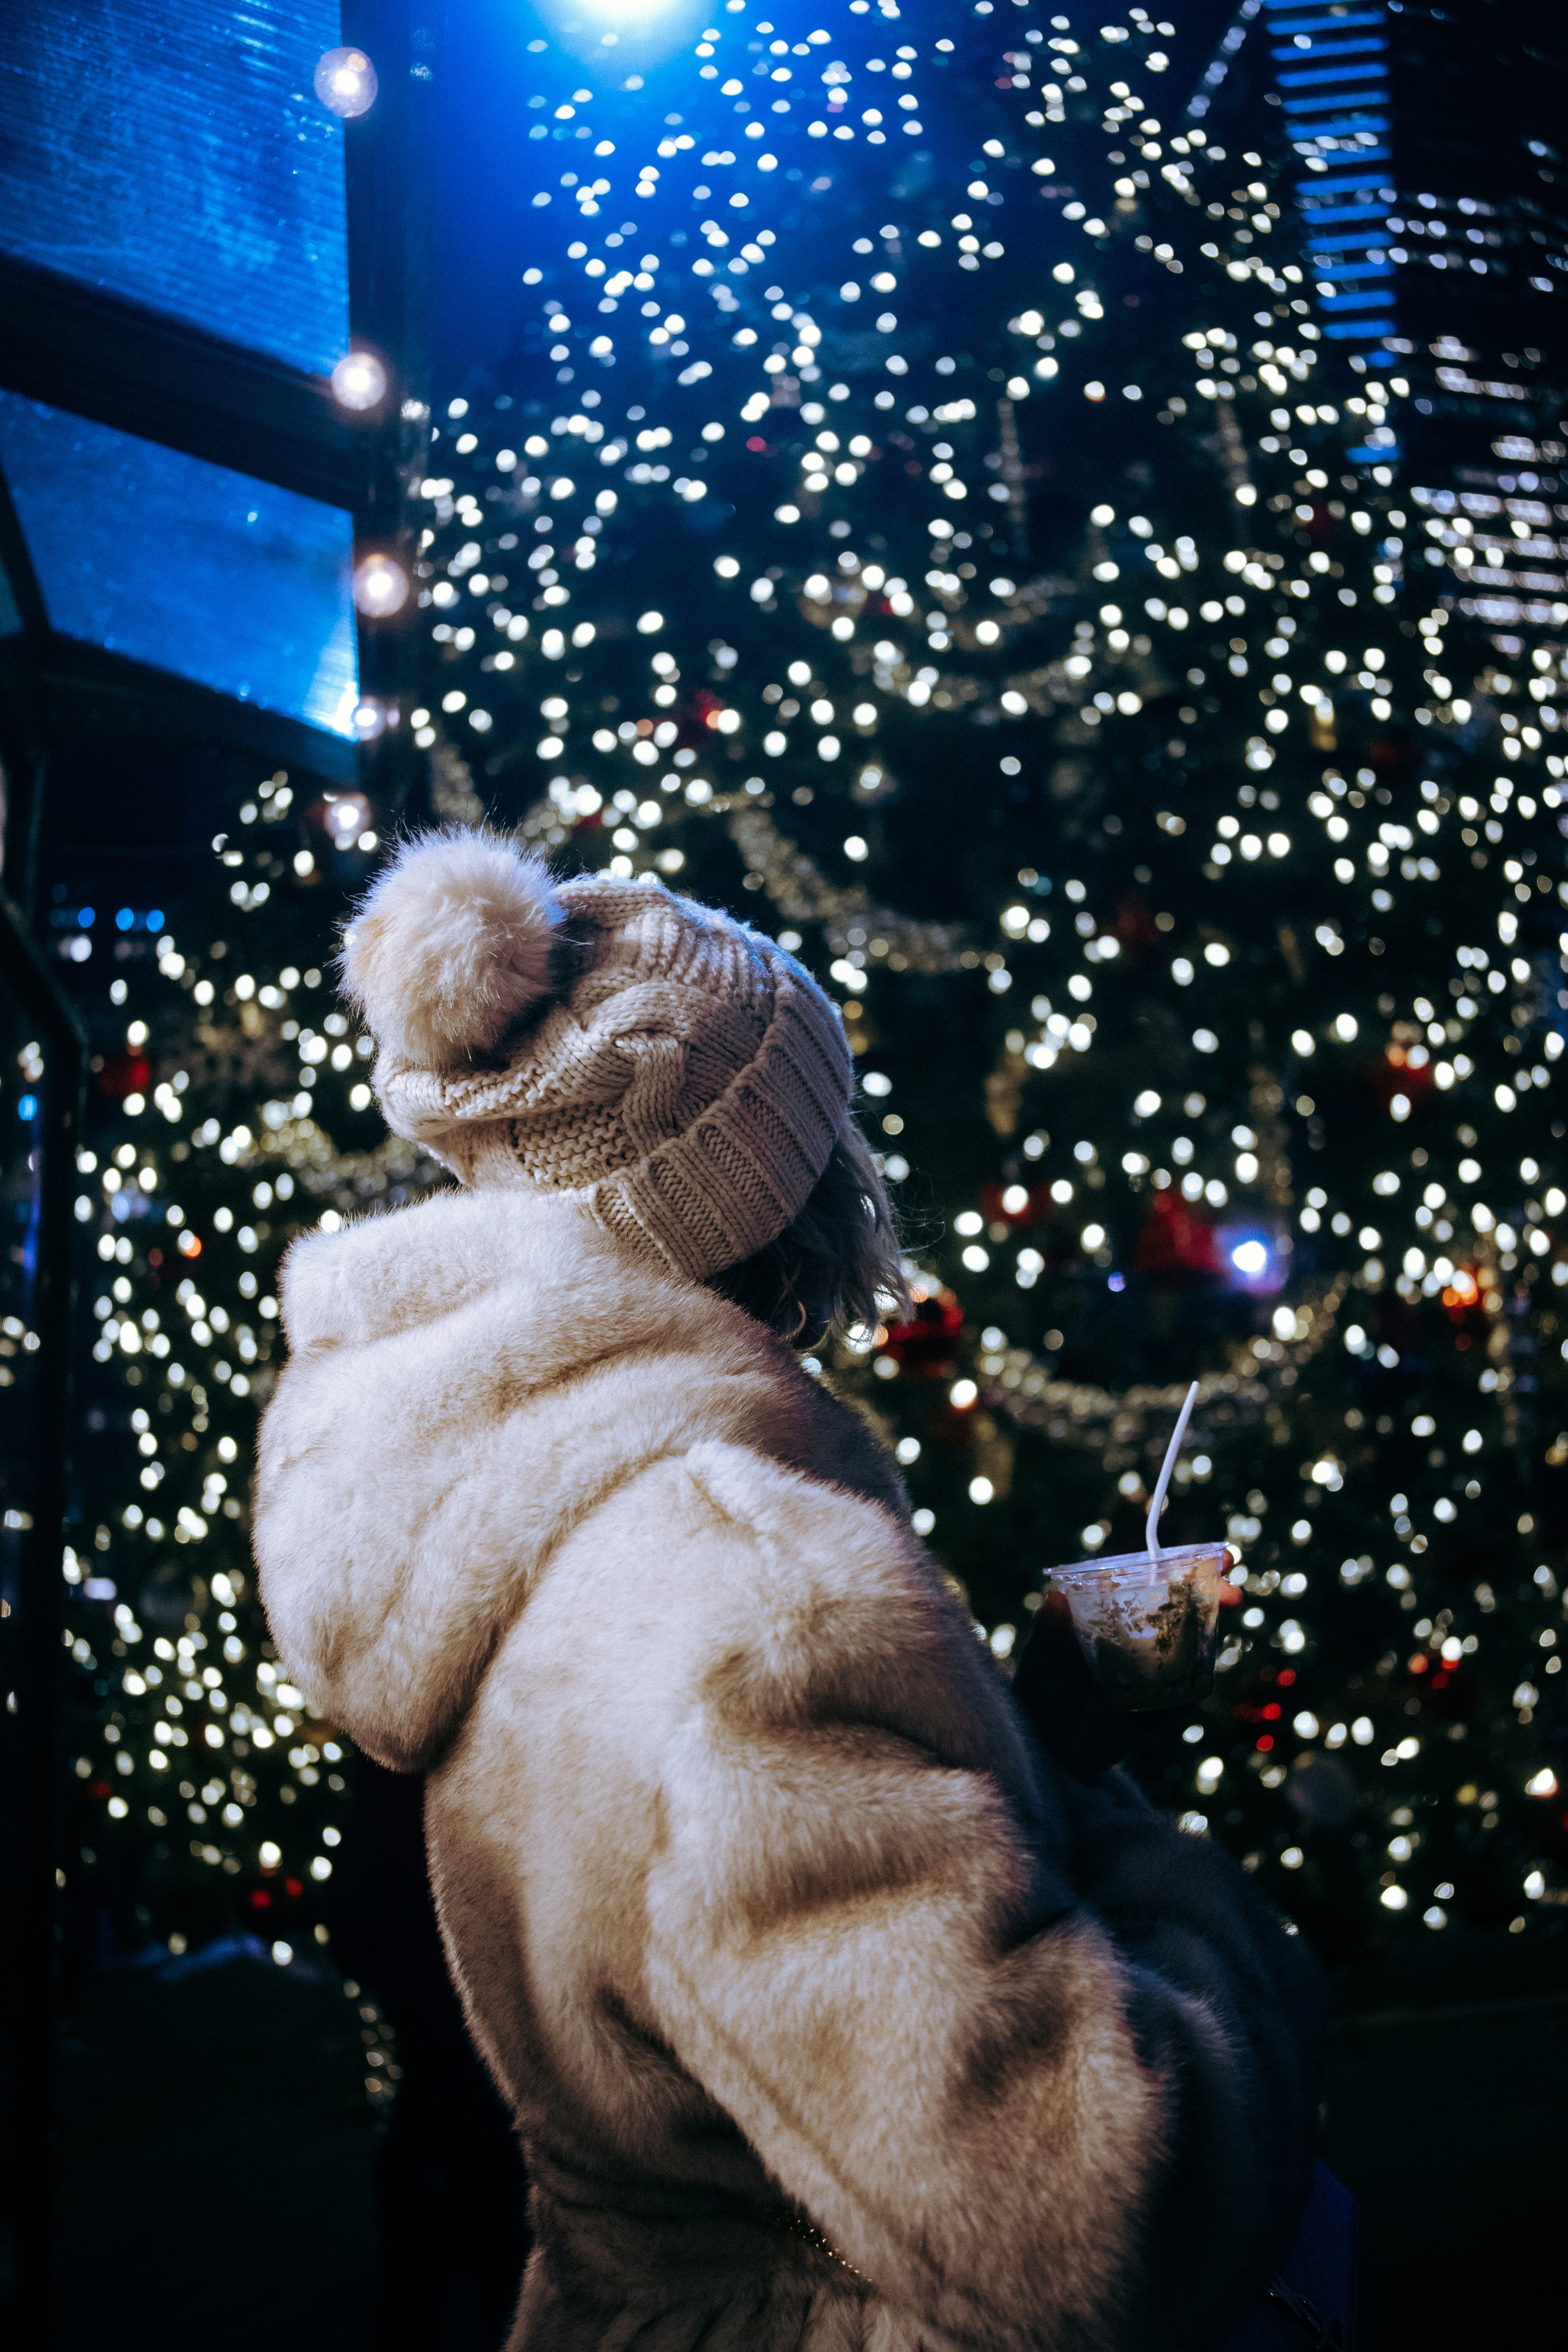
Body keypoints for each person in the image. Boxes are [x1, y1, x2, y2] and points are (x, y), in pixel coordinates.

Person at [254, 832, 1320, 2352]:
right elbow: (1108, 2212)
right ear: (775, 1193)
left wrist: (1036, 1760)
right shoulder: (747, 1598)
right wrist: (1186, 1906)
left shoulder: (491, 1509)